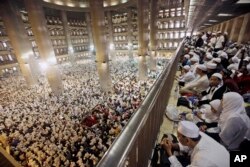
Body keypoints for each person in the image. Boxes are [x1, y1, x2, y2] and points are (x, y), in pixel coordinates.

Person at [161, 121, 229, 167]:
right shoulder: (198, 135)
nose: (177, 138)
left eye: (178, 136)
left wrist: (169, 151)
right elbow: (189, 146)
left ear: (187, 140)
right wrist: (173, 145)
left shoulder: (201, 160)